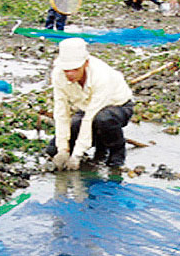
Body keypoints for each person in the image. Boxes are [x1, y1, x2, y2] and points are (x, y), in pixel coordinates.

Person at [45, 38, 134, 170]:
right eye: (66, 70)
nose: (70, 74)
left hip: (117, 106)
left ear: (86, 63)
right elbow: (61, 112)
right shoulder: (58, 75)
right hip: (86, 107)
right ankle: (98, 146)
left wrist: (76, 155)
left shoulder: (101, 76)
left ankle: (117, 153)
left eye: (75, 69)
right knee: (53, 149)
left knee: (103, 119)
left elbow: (90, 118)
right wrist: (63, 148)